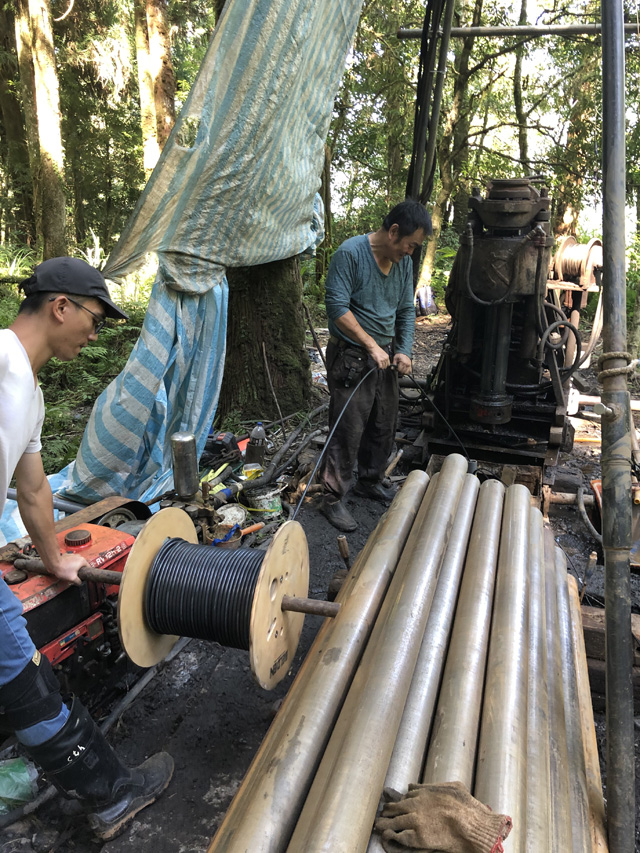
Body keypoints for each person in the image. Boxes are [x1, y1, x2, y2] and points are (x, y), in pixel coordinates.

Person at [0, 257, 173, 840]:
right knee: (30, 684)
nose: (95, 334)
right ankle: (112, 797)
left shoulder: (29, 393)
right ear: (60, 307)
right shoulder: (0, 361)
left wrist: (55, 561)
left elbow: (33, 488)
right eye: (94, 319)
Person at [319, 201, 432, 532]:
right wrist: (370, 345)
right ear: (394, 231)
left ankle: (370, 479)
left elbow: (406, 311)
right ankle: (332, 497)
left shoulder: (400, 265)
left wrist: (404, 350)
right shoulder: (350, 254)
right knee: (348, 428)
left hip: (384, 355)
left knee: (384, 421)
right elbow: (337, 307)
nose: (410, 253)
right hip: (352, 356)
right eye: (410, 245)